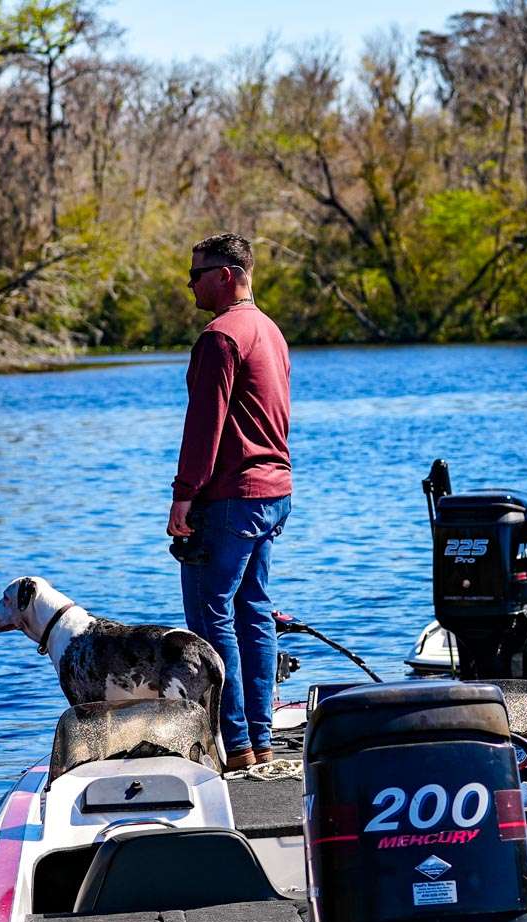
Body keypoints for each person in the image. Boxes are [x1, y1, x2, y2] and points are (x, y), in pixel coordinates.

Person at [169, 232, 292, 771]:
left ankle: (237, 747)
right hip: (272, 494)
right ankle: (259, 741)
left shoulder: (220, 337)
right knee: (254, 614)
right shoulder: (271, 331)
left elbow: (204, 429)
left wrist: (182, 498)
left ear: (225, 275)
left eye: (196, 274)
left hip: (229, 500)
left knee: (211, 620)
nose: (190, 284)